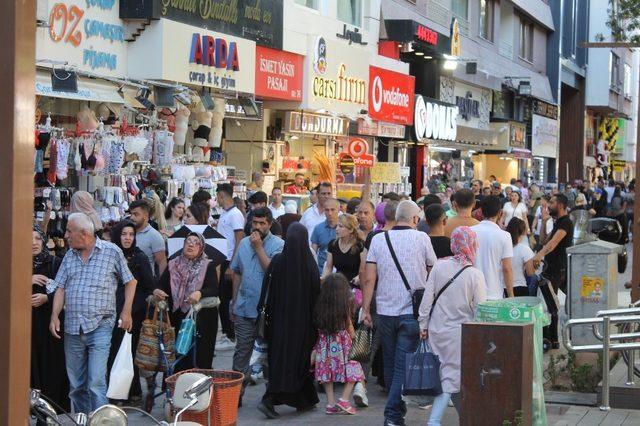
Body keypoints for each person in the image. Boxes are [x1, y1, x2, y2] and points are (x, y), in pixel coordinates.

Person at [49, 213, 137, 414]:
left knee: (96, 382)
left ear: (84, 233)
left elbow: (130, 281)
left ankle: (100, 420)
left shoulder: (111, 252)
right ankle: (82, 419)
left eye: (70, 231)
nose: (66, 235)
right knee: (76, 385)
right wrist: (54, 315)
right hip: (72, 327)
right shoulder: (69, 256)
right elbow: (60, 287)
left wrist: (127, 310)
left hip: (101, 325)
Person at [363, 200, 437, 426]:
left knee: (392, 362)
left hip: (385, 311)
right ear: (415, 219)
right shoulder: (422, 238)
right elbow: (433, 269)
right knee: (401, 366)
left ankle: (397, 413)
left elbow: (369, 277)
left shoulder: (378, 239)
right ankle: (392, 416)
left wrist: (366, 308)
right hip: (411, 311)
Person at [418, 227, 486, 425]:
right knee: (450, 377)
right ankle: (434, 421)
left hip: (436, 330)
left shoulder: (439, 266)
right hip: (460, 334)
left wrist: (423, 324)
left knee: (451, 376)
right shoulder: (475, 275)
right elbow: (480, 309)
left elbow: (426, 300)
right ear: (472, 245)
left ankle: (467, 418)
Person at [257, 223, 320, 418]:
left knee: (279, 361)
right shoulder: (309, 265)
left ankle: (303, 399)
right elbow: (316, 296)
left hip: (277, 325)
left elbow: (265, 291)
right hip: (303, 326)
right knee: (299, 363)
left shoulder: (277, 261)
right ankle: (270, 399)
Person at [231, 208, 284, 403]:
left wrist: (259, 247)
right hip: (244, 308)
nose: (258, 227)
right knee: (241, 353)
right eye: (255, 223)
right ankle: (236, 394)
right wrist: (234, 301)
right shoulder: (244, 243)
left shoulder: (279, 245)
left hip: (268, 310)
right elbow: (236, 272)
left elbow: (272, 271)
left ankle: (270, 396)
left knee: (270, 354)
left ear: (270, 224)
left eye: (262, 223)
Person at [153, 233, 220, 370]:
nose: (191, 244)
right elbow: (161, 284)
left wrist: (200, 293)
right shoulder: (173, 263)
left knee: (196, 357)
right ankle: (175, 386)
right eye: (188, 241)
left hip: (199, 318)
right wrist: (157, 291)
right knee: (177, 356)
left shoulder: (207, 265)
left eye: (196, 242)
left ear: (201, 248)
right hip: (176, 316)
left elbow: (214, 288)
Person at [107, 220, 155, 404]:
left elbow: (149, 285)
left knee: (129, 352)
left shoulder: (139, 257)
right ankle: (113, 391)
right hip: (110, 310)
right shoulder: (110, 254)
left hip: (133, 313)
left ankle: (131, 391)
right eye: (124, 234)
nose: (128, 238)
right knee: (112, 352)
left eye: (131, 235)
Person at [312, 273, 365, 415]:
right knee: (355, 368)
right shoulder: (345, 303)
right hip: (343, 341)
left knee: (327, 373)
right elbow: (348, 324)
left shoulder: (321, 305)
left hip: (325, 343)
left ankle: (330, 404)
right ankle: (344, 400)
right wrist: (354, 338)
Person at [31, 225, 69, 413]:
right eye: (29, 239)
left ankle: (49, 413)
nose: (33, 243)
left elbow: (67, 290)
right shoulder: (14, 263)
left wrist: (47, 298)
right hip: (25, 327)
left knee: (51, 370)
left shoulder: (55, 263)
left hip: (49, 326)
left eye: (38, 238)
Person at [533, 194, 573, 349]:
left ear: (561, 205)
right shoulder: (558, 222)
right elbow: (544, 241)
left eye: (551, 202)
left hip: (557, 269)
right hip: (552, 268)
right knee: (550, 303)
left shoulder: (566, 223)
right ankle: (552, 340)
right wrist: (544, 222)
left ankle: (551, 340)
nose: (548, 205)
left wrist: (539, 254)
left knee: (551, 304)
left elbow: (554, 243)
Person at [216, 183, 246, 347]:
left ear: (222, 195)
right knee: (223, 297)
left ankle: (231, 334)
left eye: (218, 197)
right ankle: (228, 333)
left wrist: (232, 265)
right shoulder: (225, 214)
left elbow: (239, 240)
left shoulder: (235, 215)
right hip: (223, 260)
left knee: (226, 297)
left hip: (229, 261)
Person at [471, 196, 514, 299]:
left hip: (470, 292)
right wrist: (511, 295)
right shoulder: (505, 236)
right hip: (494, 293)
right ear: (500, 213)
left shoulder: (469, 231)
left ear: (480, 212)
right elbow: (507, 268)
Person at [128, 199, 167, 278]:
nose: (132, 217)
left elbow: (162, 263)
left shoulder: (154, 236)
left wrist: (161, 286)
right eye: (131, 214)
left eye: (136, 214)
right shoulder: (127, 232)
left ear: (146, 216)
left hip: (144, 284)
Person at [323, 214, 364, 284]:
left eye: (341, 226)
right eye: (337, 226)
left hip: (354, 285)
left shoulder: (360, 245)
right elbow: (328, 268)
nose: (336, 229)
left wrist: (358, 278)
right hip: (338, 284)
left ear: (351, 230)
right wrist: (323, 279)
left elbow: (363, 269)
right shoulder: (332, 244)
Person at [506, 217, 535, 297]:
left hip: (502, 287)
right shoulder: (525, 249)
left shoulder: (502, 247)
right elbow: (530, 273)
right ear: (523, 232)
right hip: (519, 287)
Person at [311, 198, 339, 274]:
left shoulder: (344, 228)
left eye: (332, 210)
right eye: (327, 210)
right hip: (321, 270)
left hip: (339, 271)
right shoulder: (318, 228)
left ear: (338, 210)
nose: (330, 213)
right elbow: (313, 253)